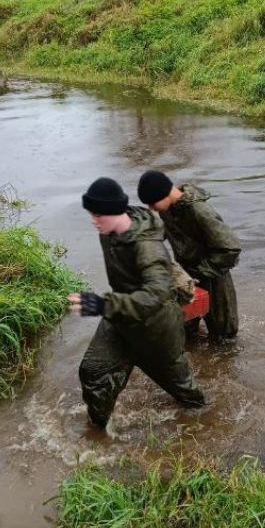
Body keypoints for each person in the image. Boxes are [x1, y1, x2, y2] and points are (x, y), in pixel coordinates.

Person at [69, 177, 205, 429]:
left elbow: (154, 295)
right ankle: (99, 432)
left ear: (115, 212)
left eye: (97, 214)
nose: (93, 220)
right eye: (91, 213)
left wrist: (101, 305)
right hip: (120, 320)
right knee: (93, 371)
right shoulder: (107, 231)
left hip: (157, 329)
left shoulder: (147, 246)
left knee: (186, 394)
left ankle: (208, 425)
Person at [137, 170, 240, 342]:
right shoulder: (167, 210)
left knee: (224, 339)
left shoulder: (200, 211)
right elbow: (168, 232)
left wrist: (204, 271)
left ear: (164, 194)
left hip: (214, 278)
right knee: (183, 331)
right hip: (187, 277)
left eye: (152, 204)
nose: (151, 209)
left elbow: (231, 248)